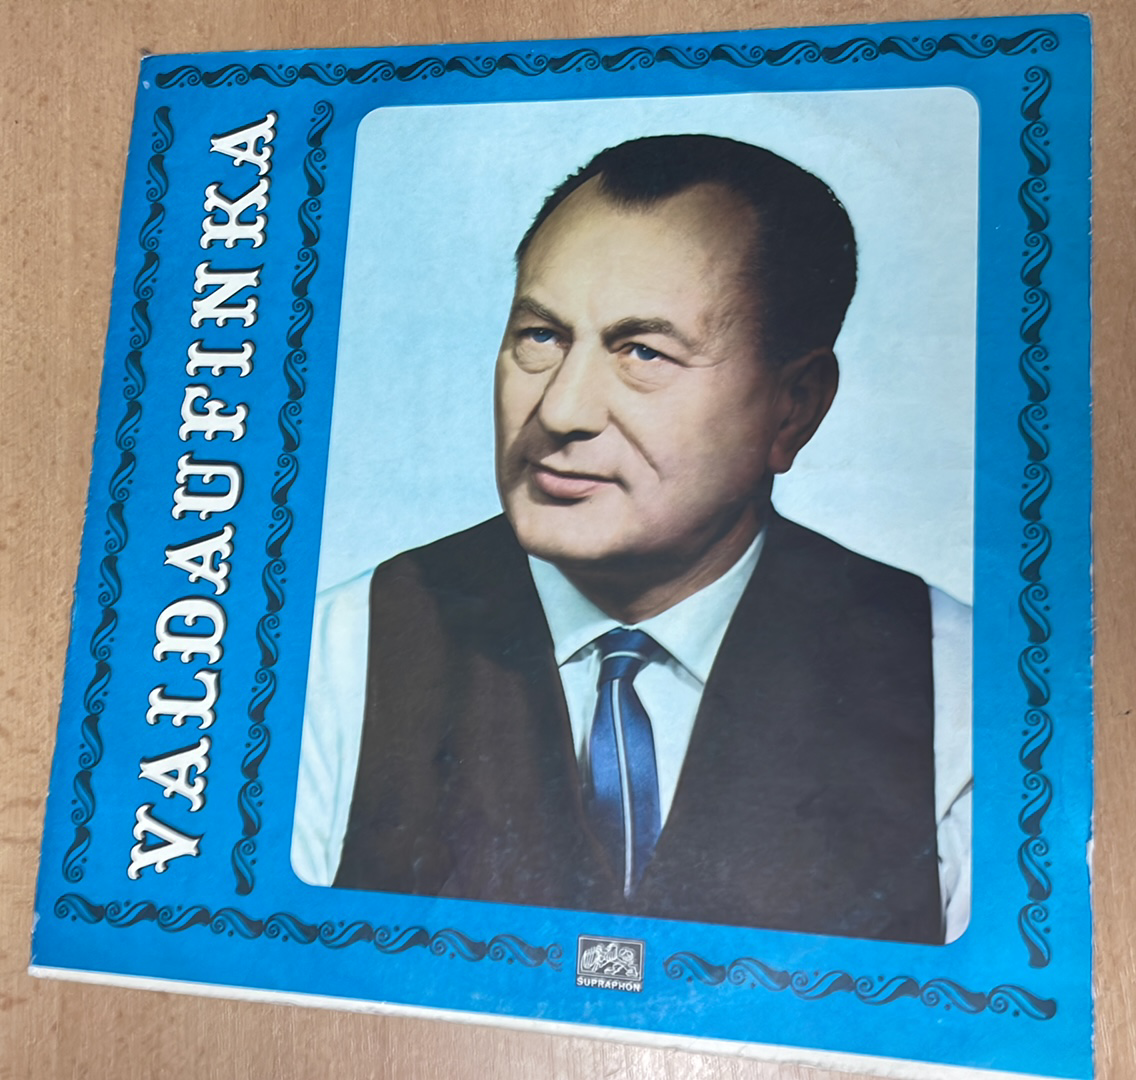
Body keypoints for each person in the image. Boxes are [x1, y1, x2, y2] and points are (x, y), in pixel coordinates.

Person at [293, 135, 972, 945]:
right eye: (541, 337)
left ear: (794, 407)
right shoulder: (335, 656)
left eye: (643, 352)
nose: (561, 410)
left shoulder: (956, 687)